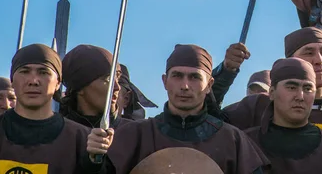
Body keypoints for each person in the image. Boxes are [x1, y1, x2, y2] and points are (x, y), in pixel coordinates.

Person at [87, 43, 270, 174]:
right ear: (165, 81)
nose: (185, 86)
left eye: (194, 78)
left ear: (209, 85)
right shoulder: (134, 135)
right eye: (177, 76)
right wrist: (95, 159)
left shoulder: (233, 140)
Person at [223, 27, 322, 165]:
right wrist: (226, 72)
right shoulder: (258, 104)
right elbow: (208, 125)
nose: (319, 60)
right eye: (309, 52)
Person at [0, 43, 99, 173]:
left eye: (43, 72)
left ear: (57, 83)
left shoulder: (82, 140)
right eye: (25, 71)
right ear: (12, 80)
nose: (33, 81)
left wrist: (94, 163)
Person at [245, 57, 322, 173]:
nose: (300, 97)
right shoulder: (247, 145)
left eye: (308, 89)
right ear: (272, 93)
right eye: (291, 87)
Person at [60, 44, 130, 129]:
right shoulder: (56, 134)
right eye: (108, 79)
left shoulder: (133, 134)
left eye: (117, 79)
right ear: (80, 87)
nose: (117, 87)